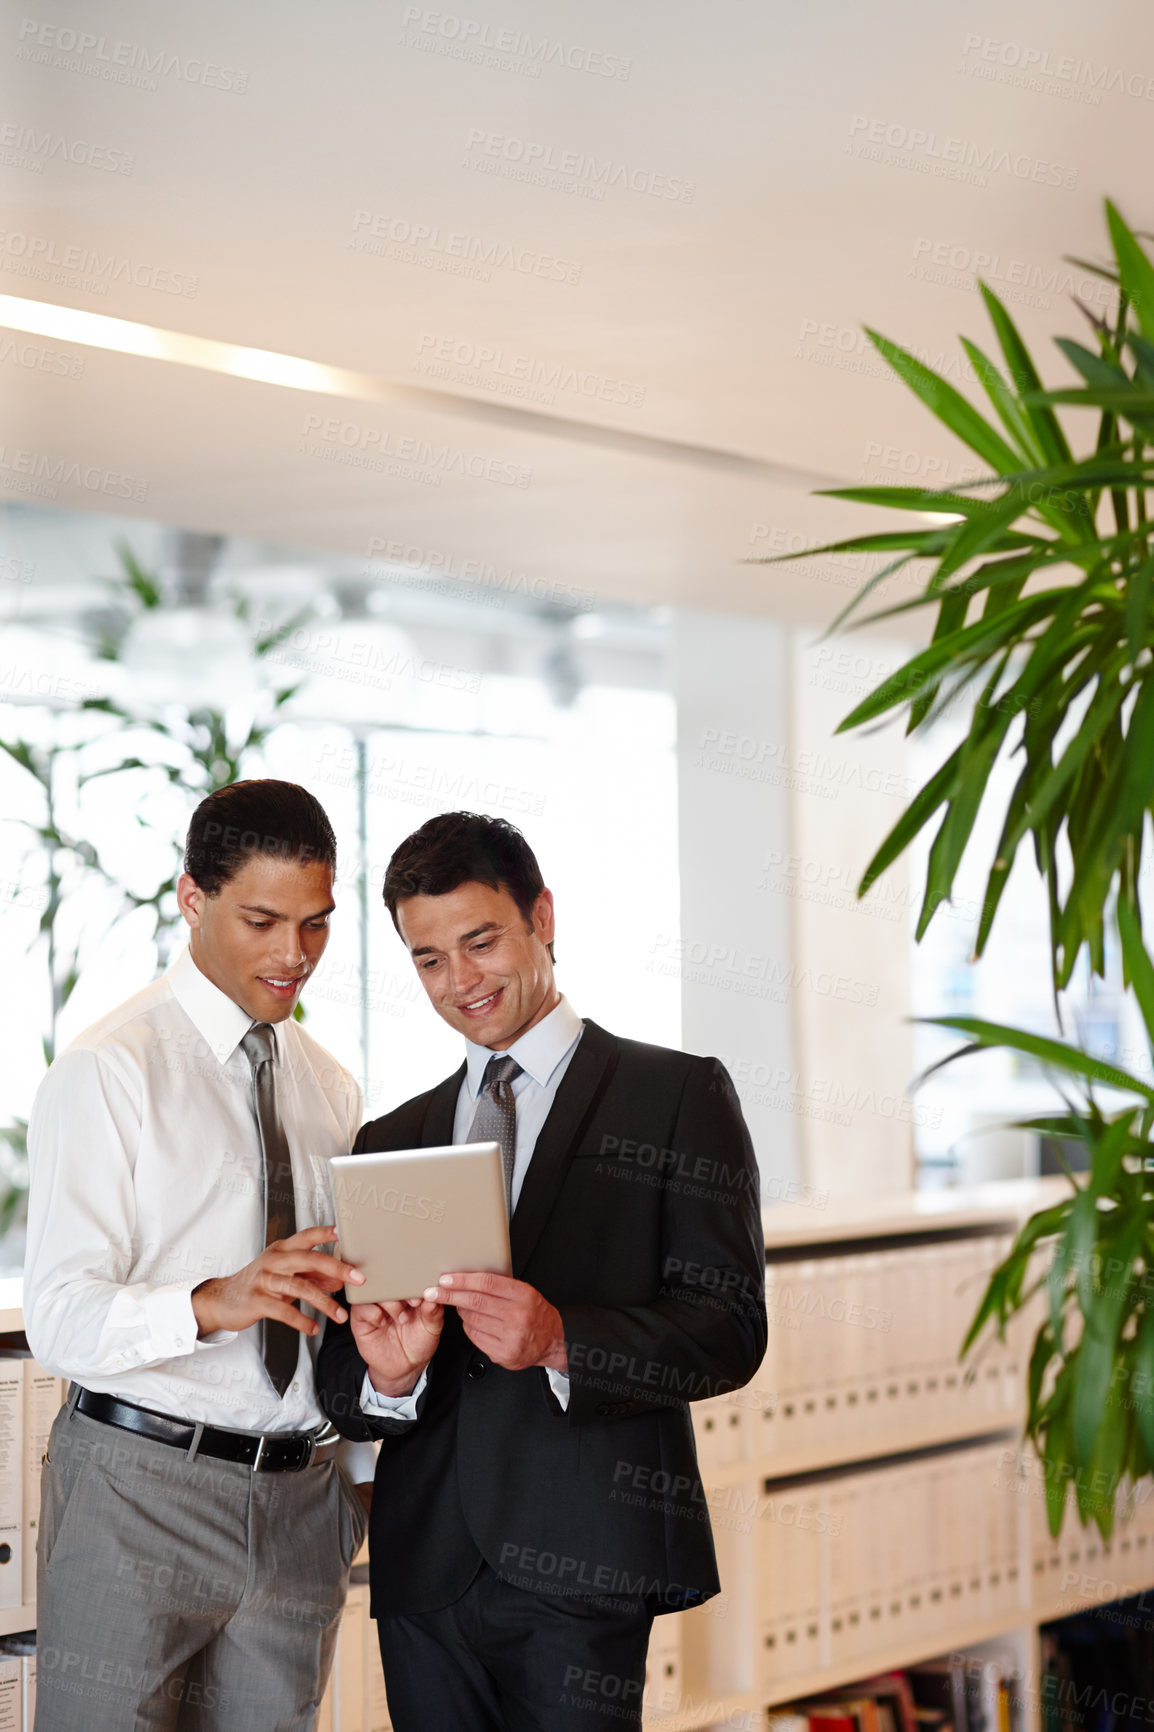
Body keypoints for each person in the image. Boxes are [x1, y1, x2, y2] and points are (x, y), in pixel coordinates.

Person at [318, 812, 766, 1732]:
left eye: (480, 942)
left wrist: (564, 1340)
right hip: (428, 1570)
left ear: (543, 917)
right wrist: (389, 1376)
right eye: (429, 959)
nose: (460, 982)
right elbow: (341, 1383)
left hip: (586, 1561)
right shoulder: (390, 1139)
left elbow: (730, 1329)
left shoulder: (677, 1095)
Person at [25, 779, 373, 1732]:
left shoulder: (329, 1088)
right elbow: (59, 1316)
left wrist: (360, 1485)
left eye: (316, 923)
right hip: (140, 1492)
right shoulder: (110, 1069)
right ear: (192, 898)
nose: (293, 954)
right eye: (263, 920)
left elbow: (348, 1303)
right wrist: (214, 1300)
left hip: (301, 1501)